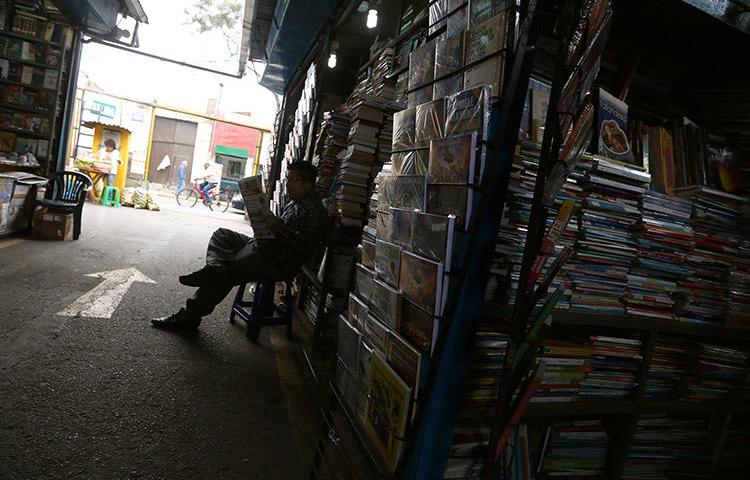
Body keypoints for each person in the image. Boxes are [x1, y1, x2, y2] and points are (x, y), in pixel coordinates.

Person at [151, 162, 328, 330]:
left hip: (276, 261)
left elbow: (304, 247)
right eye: (287, 179)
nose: (287, 184)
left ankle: (188, 316)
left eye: (293, 180)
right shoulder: (296, 201)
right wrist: (263, 222)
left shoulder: (315, 211)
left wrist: (279, 229)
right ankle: (214, 267)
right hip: (265, 245)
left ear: (307, 184)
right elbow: (281, 229)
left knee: (226, 272)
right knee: (222, 235)